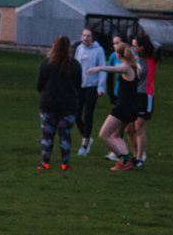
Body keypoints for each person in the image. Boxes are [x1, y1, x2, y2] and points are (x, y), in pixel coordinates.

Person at [86, 43, 147, 171]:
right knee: (115, 136)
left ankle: (122, 159)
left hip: (123, 107)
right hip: (132, 107)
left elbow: (114, 69)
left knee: (104, 134)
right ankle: (126, 163)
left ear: (119, 54)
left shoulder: (125, 67)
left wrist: (98, 68)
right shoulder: (137, 67)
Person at [36, 35, 82, 170]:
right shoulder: (74, 65)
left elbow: (40, 84)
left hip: (48, 103)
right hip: (68, 105)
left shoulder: (46, 64)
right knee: (65, 136)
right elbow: (78, 85)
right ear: (69, 48)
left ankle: (45, 163)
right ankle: (64, 164)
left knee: (47, 135)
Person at [129, 34, 162, 166]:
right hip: (134, 95)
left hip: (146, 95)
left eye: (134, 45)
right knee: (129, 129)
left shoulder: (152, 59)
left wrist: (148, 44)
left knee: (139, 127)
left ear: (142, 47)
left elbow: (159, 45)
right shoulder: (136, 58)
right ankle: (136, 154)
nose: (132, 47)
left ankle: (139, 158)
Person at [73, 28, 106, 156]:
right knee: (76, 114)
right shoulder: (79, 49)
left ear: (92, 38)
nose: (85, 38)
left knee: (88, 115)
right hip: (80, 86)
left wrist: (101, 87)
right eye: (83, 35)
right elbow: (75, 66)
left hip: (92, 87)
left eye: (88, 35)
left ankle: (84, 145)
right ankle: (87, 136)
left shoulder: (99, 50)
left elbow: (102, 68)